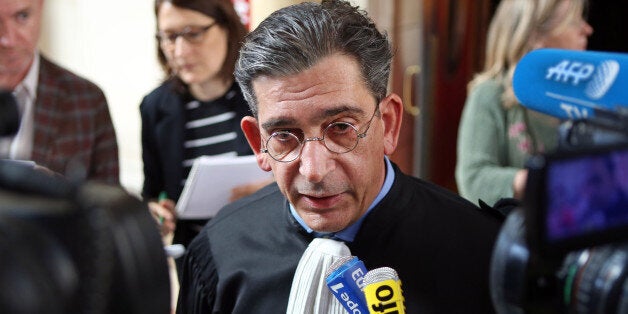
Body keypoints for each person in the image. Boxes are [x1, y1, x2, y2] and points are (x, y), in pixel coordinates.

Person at [176, 1, 503, 313]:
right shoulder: (217, 251)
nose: (314, 170)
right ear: (258, 141)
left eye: (341, 127)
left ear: (387, 124)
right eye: (284, 136)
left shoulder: (480, 252)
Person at [140, 0, 267, 254]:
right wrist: (155, 213)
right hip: (196, 257)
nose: (180, 50)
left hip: (263, 245)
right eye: (169, 37)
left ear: (227, 28)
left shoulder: (263, 92)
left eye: (193, 34)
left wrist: (274, 192)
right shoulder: (155, 107)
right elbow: (154, 192)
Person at [455, 0, 594, 207]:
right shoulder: (489, 95)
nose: (588, 29)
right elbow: (473, 180)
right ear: (535, 36)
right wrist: (546, 179)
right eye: (574, 22)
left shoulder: (583, 96)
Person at [0, 0, 119, 184]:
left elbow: (110, 201)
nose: (8, 39)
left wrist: (60, 195)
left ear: (41, 7)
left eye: (22, 16)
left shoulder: (87, 100)